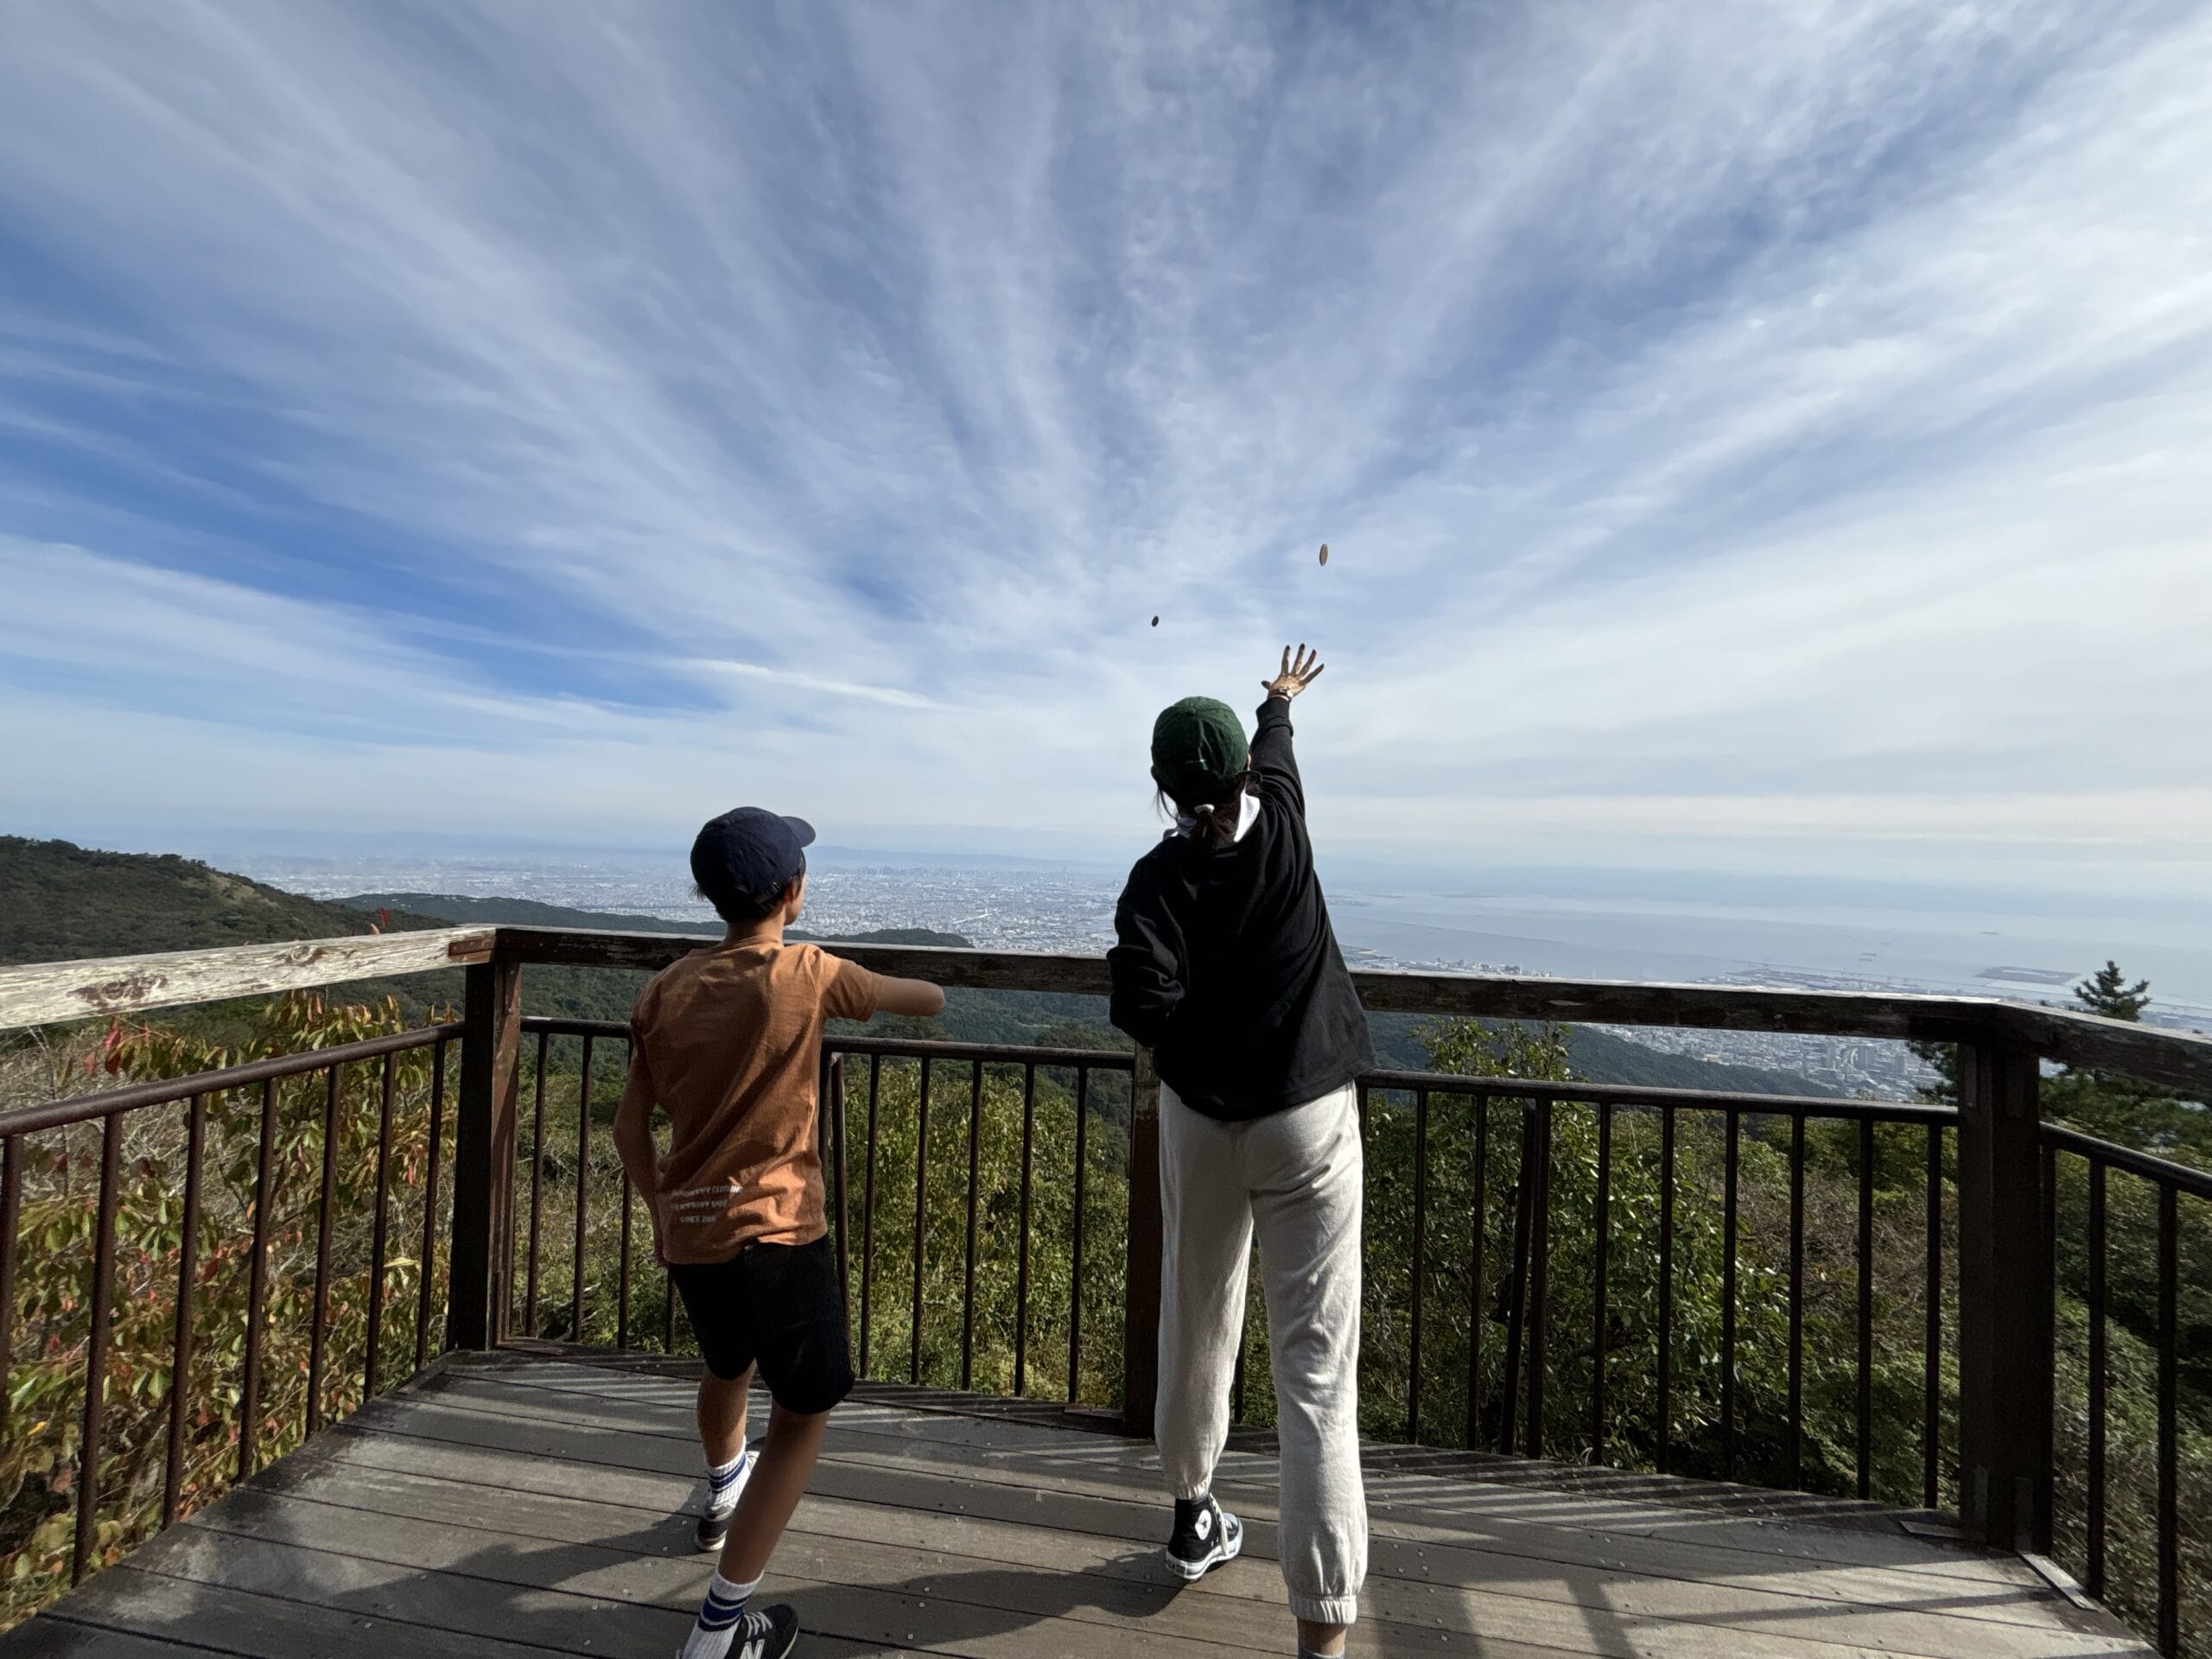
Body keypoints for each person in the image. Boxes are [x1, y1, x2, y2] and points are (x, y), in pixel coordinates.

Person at [614, 807, 946, 1659]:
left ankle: (723, 1486)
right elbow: (925, 1000)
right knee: (802, 1413)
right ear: (793, 893)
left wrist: (658, 1209)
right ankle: (720, 1630)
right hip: (780, 1234)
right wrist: (855, 983)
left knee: (727, 1363)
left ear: (710, 896)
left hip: (693, 1235)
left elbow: (627, 1129)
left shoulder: (664, 989)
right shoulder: (804, 972)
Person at [1108, 645, 1373, 1659]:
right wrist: (1277, 701)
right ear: (1244, 780)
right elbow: (1275, 753)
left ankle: (1190, 1514)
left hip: (1200, 1119)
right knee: (1314, 1372)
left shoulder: (1157, 882)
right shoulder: (1287, 830)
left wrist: (1146, 978)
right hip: (1307, 1116)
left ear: (1166, 789)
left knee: (1196, 1312)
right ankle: (1321, 1633)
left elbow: (1144, 1008)